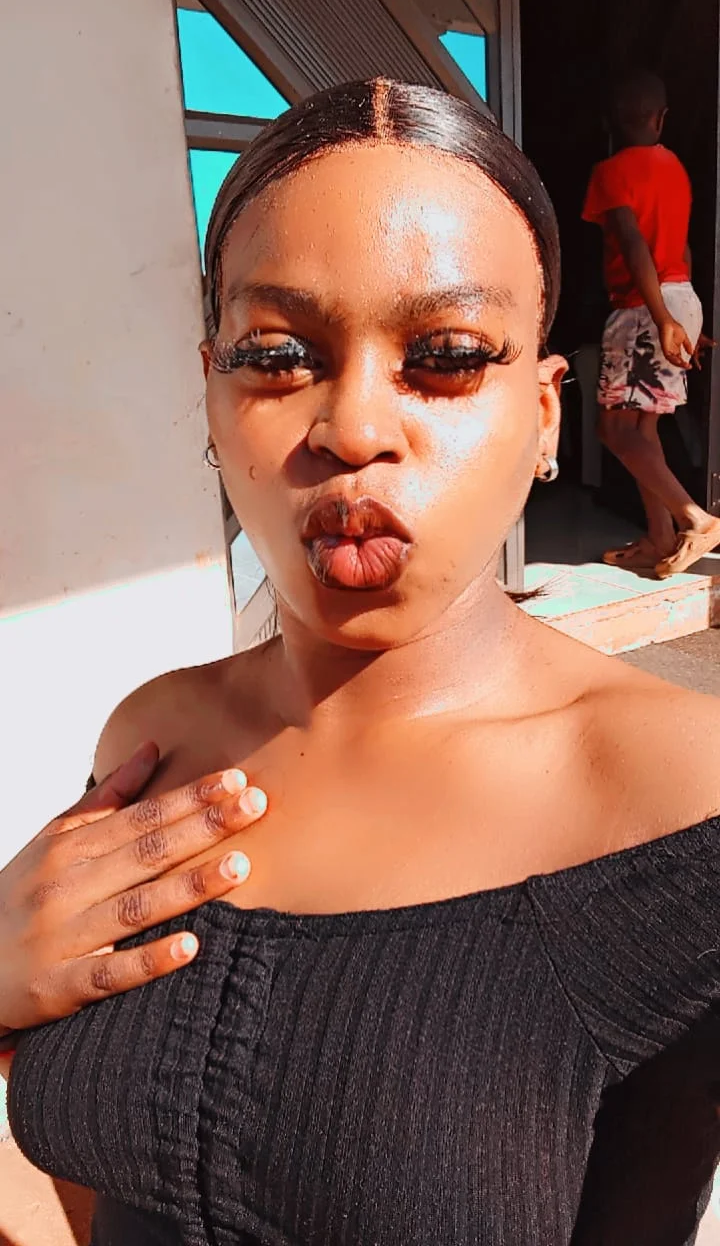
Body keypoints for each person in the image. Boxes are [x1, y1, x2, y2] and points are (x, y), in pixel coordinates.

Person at [5, 77, 720, 1246]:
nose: (353, 427)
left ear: (546, 415)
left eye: (445, 355)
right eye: (278, 354)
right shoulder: (153, 739)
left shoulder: (678, 803)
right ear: (210, 389)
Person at [582, 69, 719, 577]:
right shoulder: (675, 169)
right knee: (643, 429)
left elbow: (634, 243)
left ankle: (695, 520)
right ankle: (660, 537)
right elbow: (680, 246)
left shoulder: (610, 171)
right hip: (679, 297)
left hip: (645, 308)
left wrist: (661, 317)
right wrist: (683, 315)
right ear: (660, 119)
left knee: (613, 428)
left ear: (610, 122)